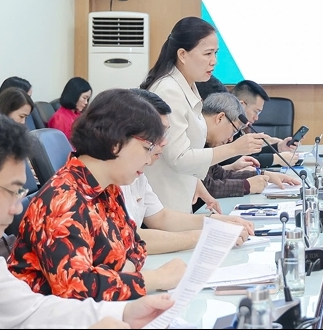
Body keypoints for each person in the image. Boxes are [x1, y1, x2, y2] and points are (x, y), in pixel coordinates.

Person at [0, 108, 174, 328]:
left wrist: (124, 313)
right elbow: (75, 288)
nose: (16, 209)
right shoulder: (60, 198)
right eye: (11, 191)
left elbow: (28, 311)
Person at [7, 89, 187, 300]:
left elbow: (136, 246)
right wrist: (155, 279)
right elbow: (76, 290)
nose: (149, 160)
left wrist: (120, 276)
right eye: (147, 148)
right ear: (116, 142)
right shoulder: (62, 200)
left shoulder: (107, 188)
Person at [140, 17, 268, 213]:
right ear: (182, 54)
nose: (214, 61)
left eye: (215, 53)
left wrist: (198, 186)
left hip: (179, 196)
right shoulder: (168, 90)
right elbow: (179, 157)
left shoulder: (188, 85)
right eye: (207, 53)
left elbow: (187, 149)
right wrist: (234, 148)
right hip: (165, 201)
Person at [121, 89, 253, 254]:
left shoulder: (137, 174)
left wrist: (217, 221)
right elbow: (125, 238)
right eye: (158, 133)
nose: (165, 142)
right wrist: (207, 234)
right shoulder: (102, 182)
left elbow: (161, 217)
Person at [201, 92, 300, 198]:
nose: (231, 139)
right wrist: (246, 186)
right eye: (234, 131)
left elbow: (218, 173)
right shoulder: (194, 138)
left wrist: (263, 174)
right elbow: (207, 187)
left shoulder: (206, 142)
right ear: (220, 118)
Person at [231, 80, 300, 168]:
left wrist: (279, 147)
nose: (256, 118)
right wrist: (275, 159)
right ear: (241, 105)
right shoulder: (225, 126)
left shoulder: (238, 127)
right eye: (256, 111)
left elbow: (248, 155)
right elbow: (232, 160)